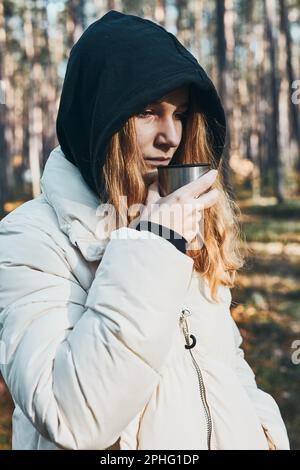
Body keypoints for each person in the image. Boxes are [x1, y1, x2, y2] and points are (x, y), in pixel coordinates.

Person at [0, 10, 290, 450]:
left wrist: (265, 434)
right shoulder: (29, 238)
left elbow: (227, 361)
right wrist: (152, 244)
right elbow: (71, 414)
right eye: (148, 111)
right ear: (98, 116)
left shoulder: (176, 210)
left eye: (181, 113)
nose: (170, 136)